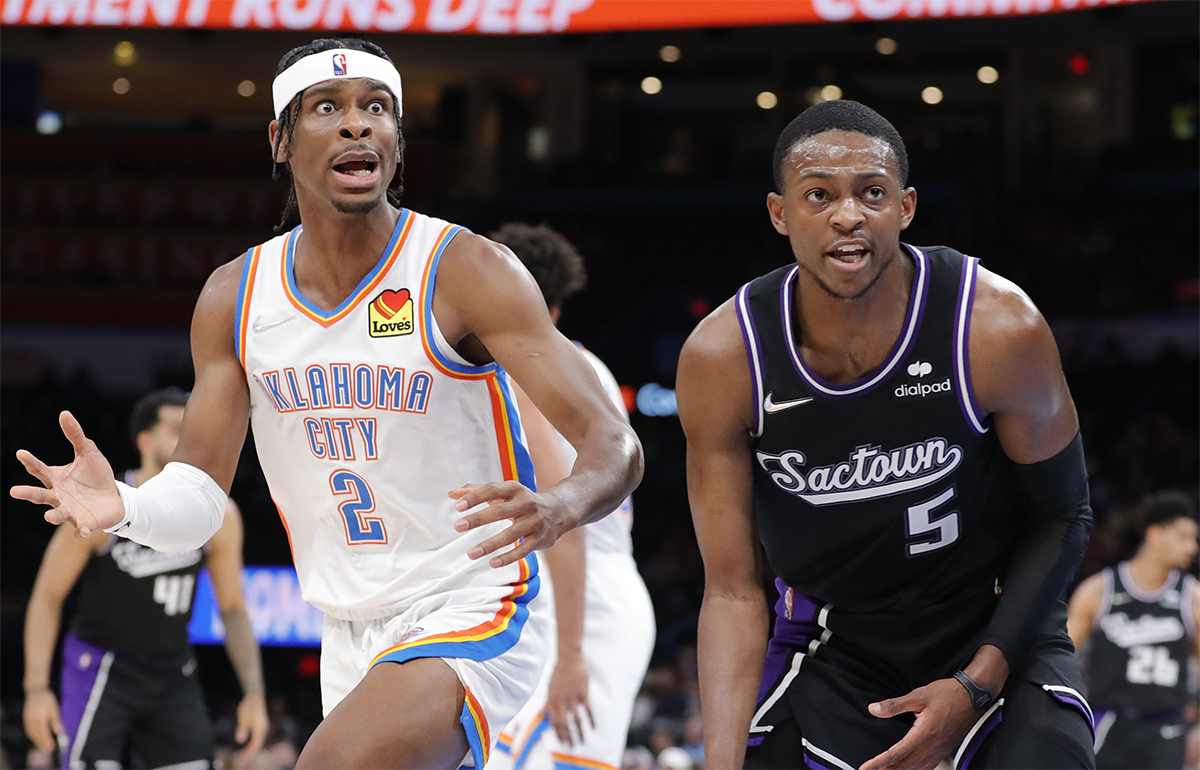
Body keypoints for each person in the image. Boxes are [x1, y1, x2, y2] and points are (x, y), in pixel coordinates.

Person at [10, 38, 641, 770]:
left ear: (397, 147)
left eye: (378, 109)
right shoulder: (234, 297)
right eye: (327, 109)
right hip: (344, 628)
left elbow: (614, 440)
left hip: (473, 605)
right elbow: (200, 497)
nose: (356, 125)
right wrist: (127, 506)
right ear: (280, 141)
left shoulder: (463, 270)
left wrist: (560, 505)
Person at [675, 99, 1096, 770]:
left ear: (905, 208)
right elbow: (732, 589)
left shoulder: (995, 325)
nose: (848, 215)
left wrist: (978, 681)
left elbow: (1063, 513)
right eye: (819, 195)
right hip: (834, 645)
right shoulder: (724, 357)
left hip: (989, 630)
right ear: (780, 214)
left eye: (871, 193)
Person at [22, 388, 269, 770]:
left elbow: (233, 609)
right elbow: (47, 597)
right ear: (144, 441)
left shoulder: (220, 516)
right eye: (175, 429)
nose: (188, 437)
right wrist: (36, 689)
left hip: (171, 669)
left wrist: (254, 693)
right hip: (101, 665)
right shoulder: (103, 504)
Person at [485, 223, 655, 770]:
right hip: (583, 592)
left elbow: (561, 522)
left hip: (583, 602)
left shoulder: (533, 375)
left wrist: (571, 655)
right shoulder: (585, 366)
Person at [1067, 491, 1199, 768]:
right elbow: (1062, 657)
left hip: (1167, 725)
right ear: (1154, 535)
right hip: (1109, 721)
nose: (1192, 547)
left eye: (1194, 539)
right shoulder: (1099, 589)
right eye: (1183, 537)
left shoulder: (1193, 597)